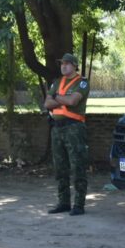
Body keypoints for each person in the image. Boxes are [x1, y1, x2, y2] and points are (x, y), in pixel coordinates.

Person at [44, 53, 91, 216]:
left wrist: (55, 97)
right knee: (60, 168)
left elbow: (73, 101)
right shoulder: (57, 82)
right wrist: (62, 99)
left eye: (67, 63)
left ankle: (79, 204)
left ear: (75, 66)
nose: (63, 66)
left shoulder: (82, 82)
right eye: (62, 63)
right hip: (57, 128)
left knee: (78, 166)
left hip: (74, 128)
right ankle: (63, 202)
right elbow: (47, 103)